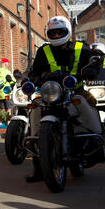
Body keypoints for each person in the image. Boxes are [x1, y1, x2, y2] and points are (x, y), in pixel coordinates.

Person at [25, 15, 95, 182]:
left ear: (68, 32)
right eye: (53, 33)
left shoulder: (81, 47)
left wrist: (92, 69)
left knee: (89, 110)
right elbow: (34, 72)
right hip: (50, 94)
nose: (56, 36)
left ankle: (94, 145)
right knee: (35, 114)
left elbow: (92, 64)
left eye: (60, 32)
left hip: (75, 91)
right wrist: (38, 76)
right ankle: (38, 165)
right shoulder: (43, 50)